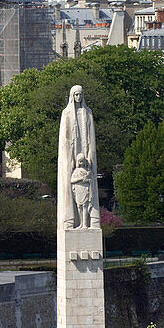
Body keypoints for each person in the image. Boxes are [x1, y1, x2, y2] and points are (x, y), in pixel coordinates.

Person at [57, 85, 100, 229]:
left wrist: (89, 156)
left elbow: (91, 136)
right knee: (70, 191)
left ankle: (89, 222)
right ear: (71, 96)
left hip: (86, 155)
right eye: (75, 95)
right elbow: (65, 138)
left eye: (80, 95)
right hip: (71, 154)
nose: (78, 97)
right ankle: (70, 220)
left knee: (88, 195)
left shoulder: (88, 113)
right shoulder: (66, 113)